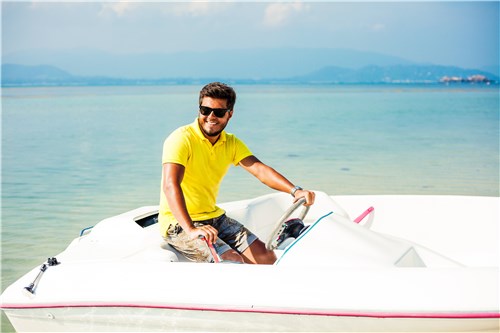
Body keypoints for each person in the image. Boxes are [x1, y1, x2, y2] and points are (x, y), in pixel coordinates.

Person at [159, 82, 315, 264]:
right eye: (205, 110)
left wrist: (295, 190)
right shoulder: (181, 138)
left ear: (229, 114)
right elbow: (171, 185)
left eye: (218, 112)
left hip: (214, 217)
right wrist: (191, 229)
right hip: (179, 224)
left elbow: (259, 169)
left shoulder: (230, 143)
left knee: (267, 258)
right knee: (232, 261)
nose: (211, 117)